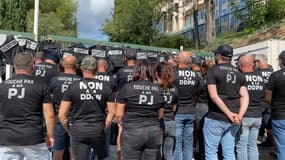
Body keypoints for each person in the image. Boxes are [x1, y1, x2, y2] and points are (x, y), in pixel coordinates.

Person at [0, 52, 55, 160]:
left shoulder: (2, 86)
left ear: (14, 66)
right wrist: (51, 135)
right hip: (33, 138)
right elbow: (49, 115)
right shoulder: (41, 85)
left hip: (6, 138)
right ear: (33, 65)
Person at [58, 56, 115, 160]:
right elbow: (112, 112)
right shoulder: (106, 87)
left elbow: (62, 115)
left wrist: (69, 130)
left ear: (81, 68)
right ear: (96, 69)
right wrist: (104, 127)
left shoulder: (73, 86)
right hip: (98, 130)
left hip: (78, 130)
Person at [203, 44, 249, 160]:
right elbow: (245, 96)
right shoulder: (239, 73)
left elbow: (214, 96)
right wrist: (240, 115)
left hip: (216, 117)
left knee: (211, 152)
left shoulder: (213, 70)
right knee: (229, 153)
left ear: (218, 55)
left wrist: (229, 113)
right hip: (234, 119)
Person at [116, 60, 165, 160]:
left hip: (132, 130)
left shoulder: (127, 87)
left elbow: (119, 115)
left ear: (136, 71)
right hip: (153, 131)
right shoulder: (158, 89)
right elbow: (160, 114)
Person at [48, 55, 82, 160]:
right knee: (74, 154)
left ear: (63, 64)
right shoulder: (81, 81)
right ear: (76, 66)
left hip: (58, 120)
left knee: (57, 153)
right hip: (76, 121)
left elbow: (49, 101)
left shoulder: (54, 80)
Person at [235, 55, 264, 160]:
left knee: (241, 145)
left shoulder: (240, 77)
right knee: (252, 145)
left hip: (245, 114)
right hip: (257, 115)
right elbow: (263, 95)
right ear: (252, 64)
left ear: (240, 65)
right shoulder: (260, 77)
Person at [173, 51, 200, 160]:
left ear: (178, 60)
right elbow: (197, 92)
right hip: (190, 111)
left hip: (178, 111)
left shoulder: (173, 74)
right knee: (188, 143)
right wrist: (192, 103)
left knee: (178, 143)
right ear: (189, 62)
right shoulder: (195, 75)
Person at [154, 62, 178, 160]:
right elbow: (174, 107)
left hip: (159, 123)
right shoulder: (175, 89)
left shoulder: (154, 88)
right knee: (169, 154)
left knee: (157, 154)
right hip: (171, 122)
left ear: (157, 73)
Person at [265, 50, 285, 160]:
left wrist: (275, 104)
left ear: (281, 61)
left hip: (279, 115)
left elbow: (268, 97)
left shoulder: (275, 76)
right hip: (279, 114)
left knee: (282, 147)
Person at [254, 54, 274, 145]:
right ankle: (270, 142)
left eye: (255, 62)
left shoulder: (256, 74)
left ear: (258, 62)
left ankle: (257, 140)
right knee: (269, 125)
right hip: (271, 103)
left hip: (259, 103)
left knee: (257, 124)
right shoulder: (274, 73)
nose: (254, 64)